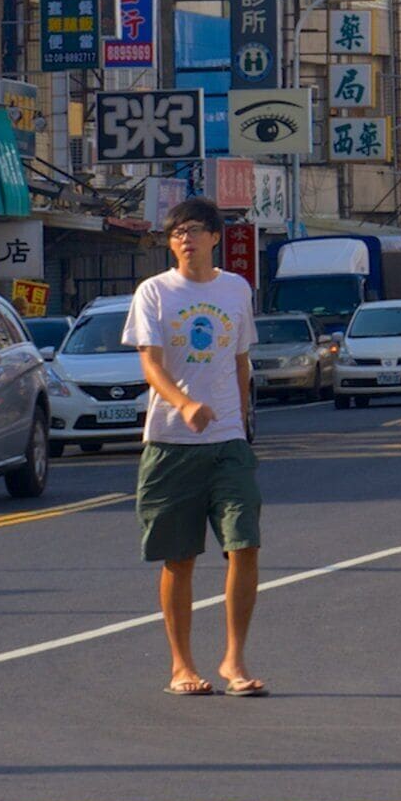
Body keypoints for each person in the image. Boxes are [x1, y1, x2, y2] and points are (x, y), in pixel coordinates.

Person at [132, 197, 265, 697]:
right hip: (170, 443)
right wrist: (184, 404)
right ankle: (181, 666)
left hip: (228, 440)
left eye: (193, 230)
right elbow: (150, 363)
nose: (185, 239)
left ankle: (234, 659)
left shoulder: (236, 290)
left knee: (245, 544)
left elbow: (240, 362)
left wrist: (242, 421)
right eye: (176, 233)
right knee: (179, 558)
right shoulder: (155, 292)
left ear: (215, 237)